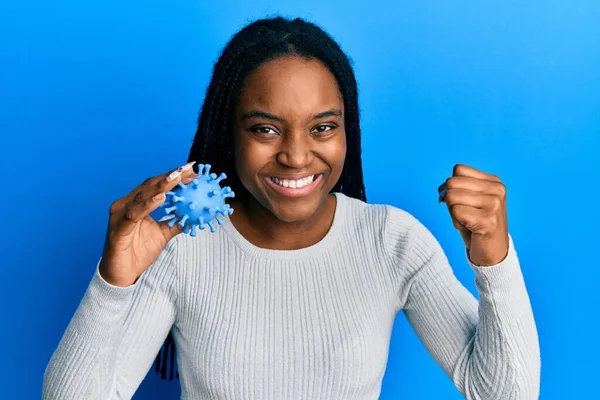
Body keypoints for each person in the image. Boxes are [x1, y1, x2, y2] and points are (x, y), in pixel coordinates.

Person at [42, 16, 540, 400]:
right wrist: (114, 284)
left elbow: (503, 392)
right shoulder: (180, 248)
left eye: (323, 127)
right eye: (265, 128)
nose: (297, 156)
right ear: (228, 137)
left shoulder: (393, 242)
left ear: (348, 130)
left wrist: (494, 259)